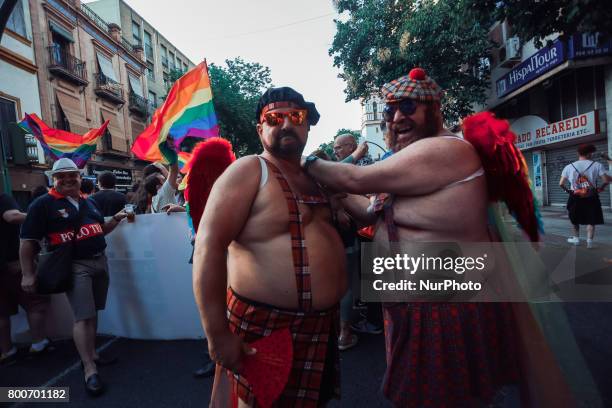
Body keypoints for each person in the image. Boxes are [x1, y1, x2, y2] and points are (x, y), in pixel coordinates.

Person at [303, 68, 523, 407]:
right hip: (413, 304)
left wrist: (302, 161)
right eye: (390, 110)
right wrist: (336, 191)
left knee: (446, 400)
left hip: (444, 306)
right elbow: (372, 211)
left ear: (433, 109)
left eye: (407, 106)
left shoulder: (445, 149)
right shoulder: (412, 160)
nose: (395, 117)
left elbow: (356, 180)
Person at [193, 87, 346, 407]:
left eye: (296, 116)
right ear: (260, 129)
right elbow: (209, 246)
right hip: (268, 330)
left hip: (321, 325)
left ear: (307, 126)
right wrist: (217, 334)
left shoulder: (316, 177)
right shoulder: (249, 170)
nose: (286, 124)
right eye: (274, 118)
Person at [20, 158, 127, 396]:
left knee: (94, 311)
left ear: (80, 178)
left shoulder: (89, 203)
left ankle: (94, 355)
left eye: (72, 175)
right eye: (62, 176)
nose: (68, 180)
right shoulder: (42, 205)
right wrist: (27, 274)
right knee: (83, 317)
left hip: (100, 260)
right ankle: (89, 369)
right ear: (53, 180)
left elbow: (101, 229)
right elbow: (28, 242)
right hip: (75, 265)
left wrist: (117, 219)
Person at [332, 133, 381, 351]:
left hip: (367, 233)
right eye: (334, 149)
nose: (335, 152)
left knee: (365, 278)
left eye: (339, 147)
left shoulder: (363, 168)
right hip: (359, 233)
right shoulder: (350, 168)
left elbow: (371, 202)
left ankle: (369, 323)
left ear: (352, 146)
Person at [0, 193, 50, 364]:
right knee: (34, 303)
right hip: (12, 264)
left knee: (1, 313)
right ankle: (38, 344)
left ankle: (7, 350)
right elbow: (12, 216)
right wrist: (44, 217)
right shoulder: (2, 198)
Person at [559, 144, 611, 248]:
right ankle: (589, 242)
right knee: (591, 219)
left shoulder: (569, 167)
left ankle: (576, 239)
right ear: (589, 153)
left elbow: (561, 183)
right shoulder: (597, 165)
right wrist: (601, 188)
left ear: (578, 153)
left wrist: (568, 191)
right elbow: (606, 180)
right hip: (591, 195)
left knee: (574, 218)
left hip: (575, 196)